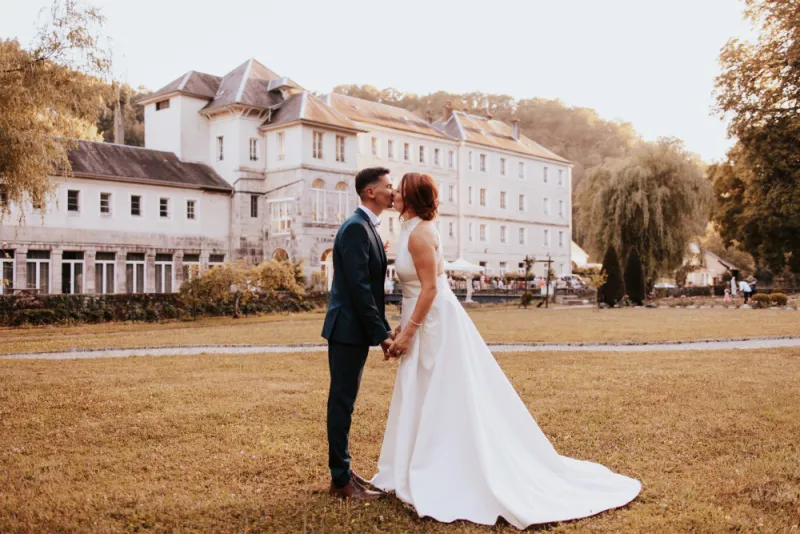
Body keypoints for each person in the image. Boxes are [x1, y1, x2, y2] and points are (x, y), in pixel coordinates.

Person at [374, 173, 641, 528]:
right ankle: (411, 464)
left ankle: (443, 467)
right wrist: (400, 327)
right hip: (418, 316)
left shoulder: (421, 233)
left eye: (399, 190)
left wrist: (409, 333)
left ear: (411, 198)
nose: (393, 194)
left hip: (434, 322)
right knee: (419, 391)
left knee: (443, 391)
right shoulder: (407, 229)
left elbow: (429, 290)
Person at [321, 167, 395, 501]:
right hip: (347, 330)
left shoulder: (366, 227)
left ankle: (345, 471)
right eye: (388, 187)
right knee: (342, 402)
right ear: (370, 192)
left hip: (354, 329)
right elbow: (360, 289)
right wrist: (383, 334)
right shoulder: (355, 229)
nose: (392, 192)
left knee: (345, 402)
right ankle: (340, 480)